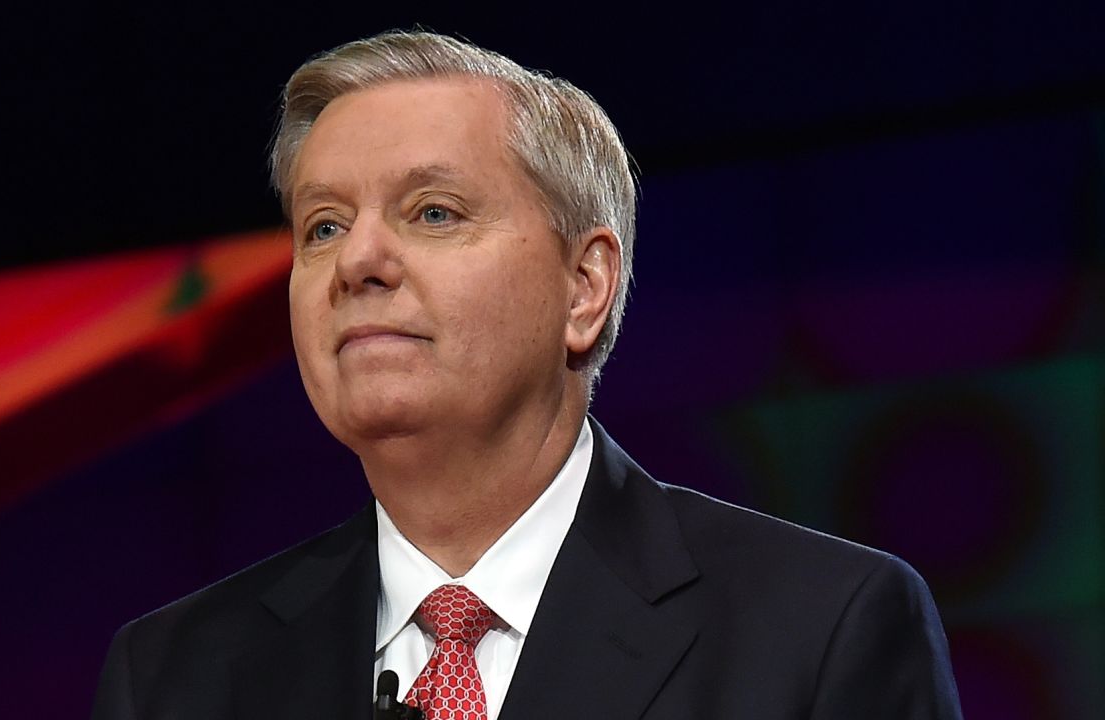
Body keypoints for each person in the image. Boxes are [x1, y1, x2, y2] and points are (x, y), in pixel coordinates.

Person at [91, 30, 962, 720]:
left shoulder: (821, 628)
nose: (356, 261)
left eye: (433, 212)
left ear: (585, 288)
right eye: (321, 226)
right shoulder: (172, 676)